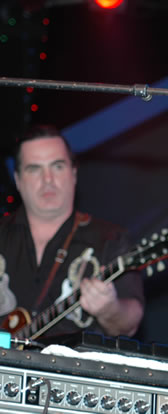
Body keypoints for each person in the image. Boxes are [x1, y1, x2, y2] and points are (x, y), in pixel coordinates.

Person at [0, 125, 144, 341]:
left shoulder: (110, 238)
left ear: (73, 173)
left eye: (57, 166)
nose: (47, 179)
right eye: (34, 169)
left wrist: (110, 310)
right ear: (18, 180)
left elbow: (129, 324)